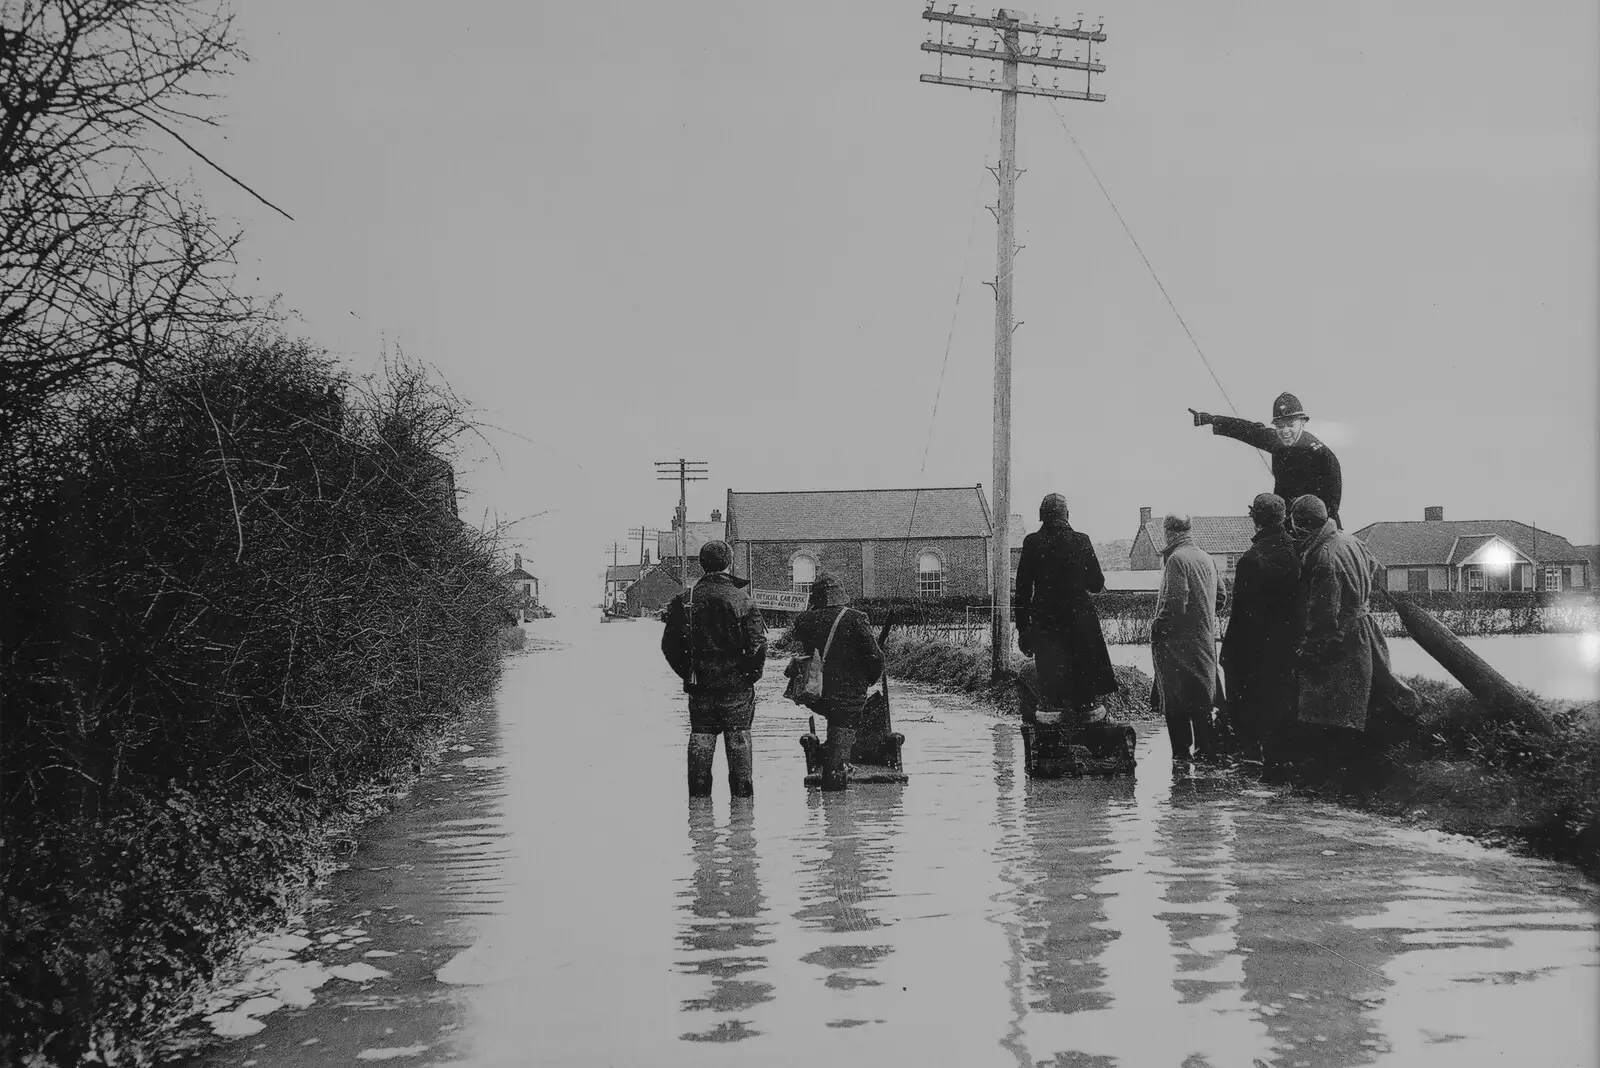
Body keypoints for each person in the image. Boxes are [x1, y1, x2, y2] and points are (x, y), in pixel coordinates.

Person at [1289, 494, 1414, 768]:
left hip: (1343, 638)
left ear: (1302, 525)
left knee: (1334, 709)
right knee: (1360, 699)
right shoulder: (1351, 540)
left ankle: (1337, 774)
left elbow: (1323, 617)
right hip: (1365, 630)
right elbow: (1373, 569)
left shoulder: (1323, 557)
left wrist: (1308, 653)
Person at [661, 540, 768, 798]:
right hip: (737, 688)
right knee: (739, 739)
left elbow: (669, 647)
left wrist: (689, 673)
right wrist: (747, 676)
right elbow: (758, 646)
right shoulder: (743, 599)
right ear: (729, 563)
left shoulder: (682, 601)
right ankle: (742, 819)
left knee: (701, 737)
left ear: (701, 564)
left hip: (700, 687)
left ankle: (699, 820)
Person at [1012, 493, 1118, 723]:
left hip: (1045, 622)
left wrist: (1023, 631)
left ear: (1041, 517)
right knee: (1086, 695)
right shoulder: (1082, 541)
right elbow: (1096, 583)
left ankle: (1051, 737)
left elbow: (1021, 593)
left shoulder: (1032, 542)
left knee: (1051, 692)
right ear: (1067, 516)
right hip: (1081, 623)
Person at [1218, 493, 1302, 768]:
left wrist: (1229, 655)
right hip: (1288, 647)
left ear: (1254, 517)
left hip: (1254, 650)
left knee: (1250, 710)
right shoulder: (1296, 553)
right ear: (1284, 517)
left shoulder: (1251, 559)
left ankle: (1252, 758)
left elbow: (1242, 615)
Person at [787, 570, 884, 791]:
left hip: (816, 693)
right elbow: (876, 657)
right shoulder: (856, 617)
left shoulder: (804, 620)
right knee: (837, 756)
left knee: (833, 726)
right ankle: (837, 811)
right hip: (848, 697)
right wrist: (867, 681)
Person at [1188, 392, 1343, 527]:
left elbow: (1332, 498)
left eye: (1290, 425)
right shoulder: (1276, 441)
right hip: (1288, 521)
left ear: (1303, 423)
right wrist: (1211, 419)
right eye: (1280, 426)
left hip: (1315, 525)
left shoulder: (1322, 455)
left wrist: (1326, 519)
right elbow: (1248, 430)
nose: (1285, 431)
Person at [1151, 513, 1221, 763]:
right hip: (1204, 640)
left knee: (1177, 699)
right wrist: (1202, 615)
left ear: (1168, 532)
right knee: (1202, 698)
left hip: (1178, 645)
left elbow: (1174, 605)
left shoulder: (1176, 560)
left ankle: (1181, 761)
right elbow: (1221, 597)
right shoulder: (1206, 557)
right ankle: (1207, 759)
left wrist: (1157, 627)